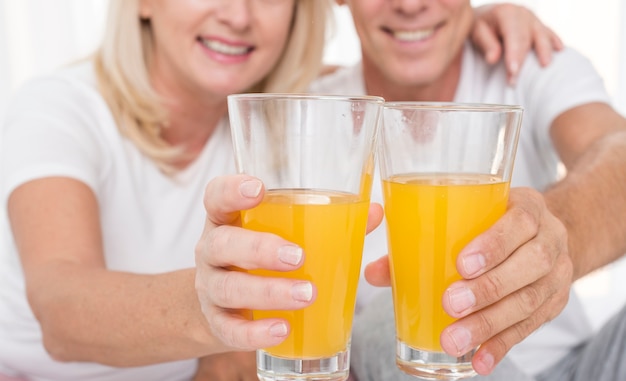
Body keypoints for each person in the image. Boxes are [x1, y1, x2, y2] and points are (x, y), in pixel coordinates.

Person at [0, 0, 564, 380]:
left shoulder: (283, 120)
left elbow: (399, 64)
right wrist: (216, 309)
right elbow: (60, 309)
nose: (239, 16)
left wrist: (483, 21)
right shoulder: (61, 108)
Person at [308, 1, 626, 380]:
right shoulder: (306, 114)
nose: (411, 6)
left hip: (583, 366)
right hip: (416, 365)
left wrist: (551, 238)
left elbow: (616, 152)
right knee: (390, 318)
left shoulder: (525, 59)